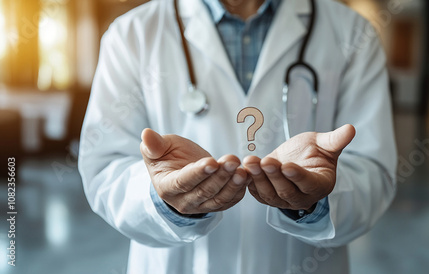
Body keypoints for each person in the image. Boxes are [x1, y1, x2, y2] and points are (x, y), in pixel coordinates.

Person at [78, 0, 397, 273]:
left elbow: (373, 173)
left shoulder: (352, 34)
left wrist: (316, 202)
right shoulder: (131, 35)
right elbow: (105, 169)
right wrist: (164, 199)